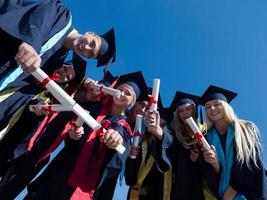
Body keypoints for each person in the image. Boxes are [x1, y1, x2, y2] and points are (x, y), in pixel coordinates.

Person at [23, 72, 149, 200]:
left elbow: (116, 153)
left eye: (127, 94)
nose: (121, 94)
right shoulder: (95, 107)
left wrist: (117, 139)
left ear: (131, 103)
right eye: (120, 89)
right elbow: (71, 132)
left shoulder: (123, 128)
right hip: (60, 169)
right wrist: (73, 136)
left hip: (81, 184)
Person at [0, 52, 86, 174]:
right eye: (65, 68)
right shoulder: (34, 71)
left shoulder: (48, 99)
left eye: (67, 77)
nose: (63, 73)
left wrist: (36, 112)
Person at [0, 0, 116, 90]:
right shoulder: (61, 14)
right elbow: (39, 19)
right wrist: (30, 43)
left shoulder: (57, 62)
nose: (86, 48)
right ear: (90, 33)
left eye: (90, 53)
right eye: (91, 43)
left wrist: (86, 86)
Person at [200, 85, 267, 199]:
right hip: (220, 193)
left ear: (226, 106)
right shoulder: (206, 137)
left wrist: (229, 195)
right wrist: (214, 163)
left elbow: (250, 164)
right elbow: (211, 173)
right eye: (208, 107)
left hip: (249, 193)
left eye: (217, 104)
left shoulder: (246, 128)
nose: (212, 109)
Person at [146, 91, 206, 200]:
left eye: (188, 109)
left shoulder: (206, 130)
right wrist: (159, 132)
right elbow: (168, 140)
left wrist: (199, 159)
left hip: (203, 185)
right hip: (181, 185)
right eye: (180, 111)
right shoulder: (175, 132)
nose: (185, 113)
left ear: (195, 110)